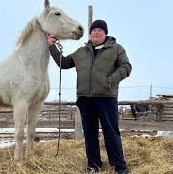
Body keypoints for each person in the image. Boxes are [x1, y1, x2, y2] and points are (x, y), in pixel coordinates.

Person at [47, 19, 131, 174]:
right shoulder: (81, 52)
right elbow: (64, 63)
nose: (96, 32)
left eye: (100, 30)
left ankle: (119, 166)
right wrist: (52, 46)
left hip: (106, 97)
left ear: (105, 33)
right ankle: (94, 164)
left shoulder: (116, 49)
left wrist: (110, 81)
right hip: (85, 99)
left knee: (111, 132)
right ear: (90, 34)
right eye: (93, 30)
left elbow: (126, 67)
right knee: (90, 134)